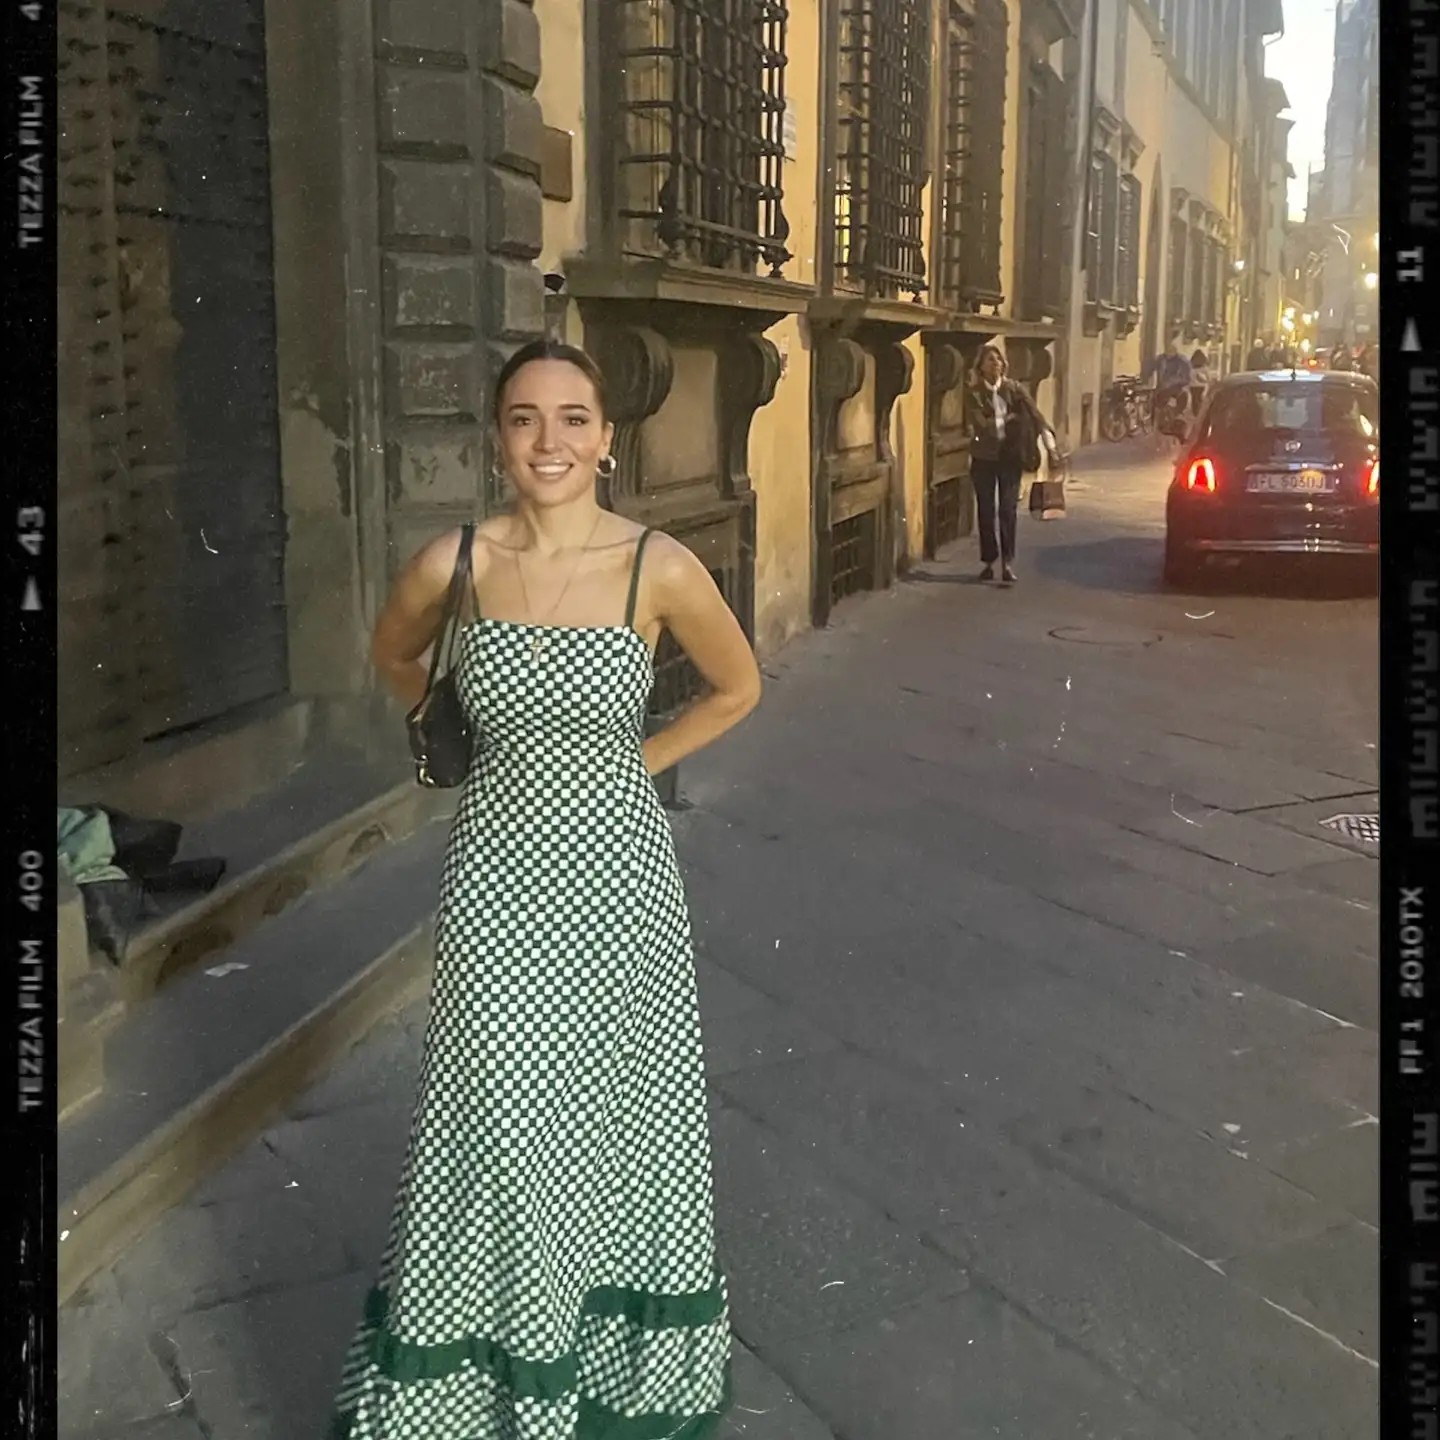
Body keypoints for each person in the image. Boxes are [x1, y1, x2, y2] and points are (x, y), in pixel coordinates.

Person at [338, 339, 761, 1439]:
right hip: (495, 881)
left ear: (607, 438)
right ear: (498, 438)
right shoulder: (456, 563)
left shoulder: (658, 566)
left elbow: (737, 688)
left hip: (619, 885)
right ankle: (483, 1385)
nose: (549, 440)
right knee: (496, 1122)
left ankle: (598, 1376)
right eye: (524, 418)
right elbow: (395, 656)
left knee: (612, 1121)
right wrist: (446, 723)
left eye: (573, 418)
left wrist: (632, 766)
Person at [966, 343, 1060, 584]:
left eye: (998, 359)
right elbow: (980, 425)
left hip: (1010, 457)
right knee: (986, 511)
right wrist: (1007, 419)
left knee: (1007, 510)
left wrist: (1051, 448)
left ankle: (1007, 562)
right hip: (984, 458)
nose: (995, 363)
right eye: (989, 360)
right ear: (981, 367)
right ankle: (989, 561)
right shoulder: (974, 393)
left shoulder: (1015, 389)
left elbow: (1036, 416)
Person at [1145, 339, 1194, 427]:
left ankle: (1174, 417)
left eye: (1171, 351)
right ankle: (1156, 422)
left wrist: (1174, 382)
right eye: (1168, 351)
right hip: (1162, 388)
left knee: (1181, 399)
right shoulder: (1161, 359)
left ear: (1175, 352)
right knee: (1156, 402)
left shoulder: (1182, 361)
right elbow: (1151, 367)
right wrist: (1147, 377)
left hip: (1176, 388)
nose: (1169, 354)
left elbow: (1186, 377)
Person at [1188, 347, 1211, 415]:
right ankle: (1199, 411)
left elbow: (1188, 376)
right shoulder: (1204, 368)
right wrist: (1206, 381)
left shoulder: (1191, 367)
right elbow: (1208, 377)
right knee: (1199, 398)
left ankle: (1195, 411)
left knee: (1194, 398)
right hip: (1201, 385)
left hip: (1192, 385)